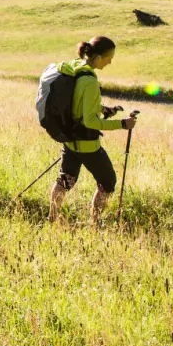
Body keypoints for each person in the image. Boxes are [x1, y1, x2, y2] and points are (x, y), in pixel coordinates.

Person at [49, 36, 136, 225]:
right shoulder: (89, 81)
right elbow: (89, 121)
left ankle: (52, 218)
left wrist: (104, 109)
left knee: (65, 180)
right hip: (88, 145)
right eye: (108, 57)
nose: (110, 61)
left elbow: (78, 103)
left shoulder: (75, 67)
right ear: (97, 57)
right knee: (108, 183)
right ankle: (95, 224)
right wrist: (122, 124)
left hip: (70, 139)